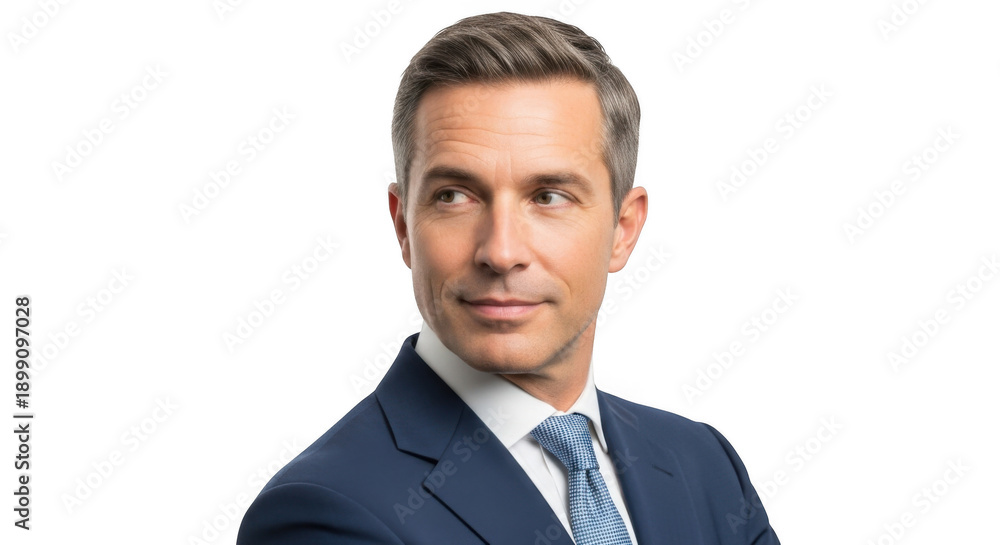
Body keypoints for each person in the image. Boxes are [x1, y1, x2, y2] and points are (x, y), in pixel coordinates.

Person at [237, 11, 780, 545]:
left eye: (549, 196)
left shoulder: (705, 466)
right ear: (403, 226)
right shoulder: (321, 512)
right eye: (454, 196)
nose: (500, 252)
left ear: (623, 229)